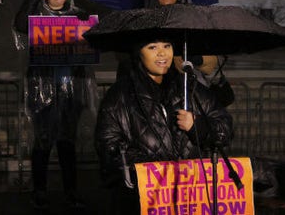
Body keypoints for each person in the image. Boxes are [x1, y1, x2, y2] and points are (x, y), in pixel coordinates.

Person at [95, 39, 234, 213]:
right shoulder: (119, 95)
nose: (162, 53)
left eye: (167, 46)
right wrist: (158, 171)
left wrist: (197, 126)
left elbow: (225, 129)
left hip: (190, 199)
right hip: (143, 201)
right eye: (152, 47)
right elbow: (109, 147)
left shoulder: (189, 88)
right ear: (139, 52)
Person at [13, 0, 97, 211]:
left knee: (67, 143)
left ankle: (71, 192)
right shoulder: (37, 17)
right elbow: (19, 24)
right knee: (43, 142)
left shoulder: (78, 16)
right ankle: (39, 191)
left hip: (72, 89)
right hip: (43, 89)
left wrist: (87, 25)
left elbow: (94, 42)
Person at [145, 0, 235, 108]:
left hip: (189, 94)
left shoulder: (190, 19)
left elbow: (214, 61)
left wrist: (199, 59)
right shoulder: (144, 20)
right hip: (156, 95)